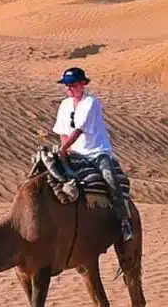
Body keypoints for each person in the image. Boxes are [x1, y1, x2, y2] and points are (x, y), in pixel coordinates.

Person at [52, 67, 134, 241]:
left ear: (82, 84)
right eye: (66, 85)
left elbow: (78, 130)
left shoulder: (91, 102)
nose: (68, 88)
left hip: (96, 152)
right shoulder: (64, 104)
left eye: (71, 85)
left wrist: (64, 148)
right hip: (74, 152)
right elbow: (62, 130)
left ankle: (124, 221)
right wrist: (64, 150)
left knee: (109, 177)